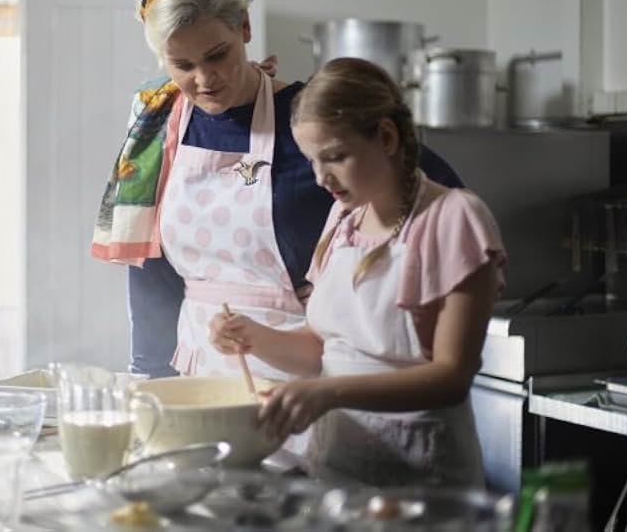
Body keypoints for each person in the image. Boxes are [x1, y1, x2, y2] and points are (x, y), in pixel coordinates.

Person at [91, 0, 464, 381]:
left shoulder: (312, 119)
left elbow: (444, 203)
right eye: (183, 65)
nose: (205, 79)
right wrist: (150, 378)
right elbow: (151, 272)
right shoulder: (158, 128)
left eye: (218, 55)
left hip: (308, 375)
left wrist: (362, 295)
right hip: (199, 373)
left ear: (245, 28)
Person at [209, 57, 506, 487]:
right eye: (312, 160)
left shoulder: (454, 217)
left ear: (386, 137)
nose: (320, 177)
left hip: (423, 481)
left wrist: (328, 392)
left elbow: (451, 377)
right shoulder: (342, 220)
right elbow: (324, 351)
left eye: (335, 157)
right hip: (336, 469)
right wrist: (253, 337)